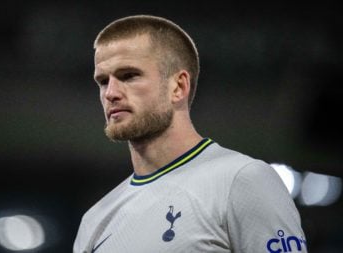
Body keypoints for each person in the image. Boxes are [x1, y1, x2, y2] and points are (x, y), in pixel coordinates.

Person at [73, 14, 307, 253]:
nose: (110, 93)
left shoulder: (242, 180)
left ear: (178, 87)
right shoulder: (95, 221)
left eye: (129, 76)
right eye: (103, 81)